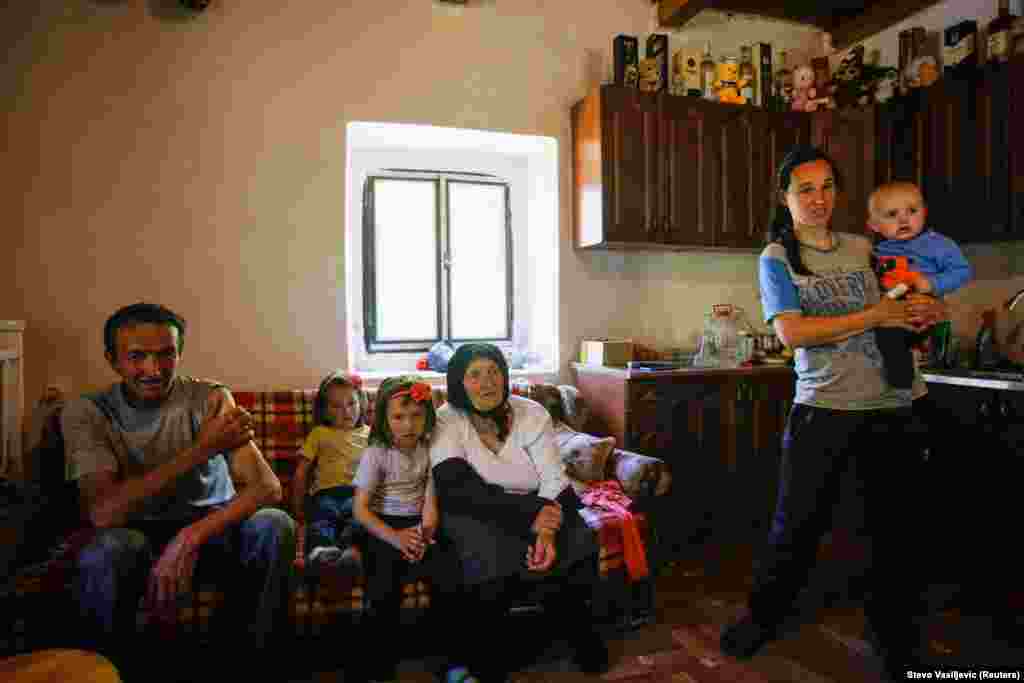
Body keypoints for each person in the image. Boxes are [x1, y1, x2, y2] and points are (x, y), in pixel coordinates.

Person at [719, 147, 947, 680]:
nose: (818, 199)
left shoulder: (867, 248)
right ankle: (762, 620)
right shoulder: (777, 257)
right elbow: (791, 332)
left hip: (895, 405)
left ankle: (896, 639)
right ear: (786, 197)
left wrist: (927, 312)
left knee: (894, 534)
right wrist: (873, 314)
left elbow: (906, 305)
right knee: (795, 526)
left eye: (826, 187)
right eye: (805, 189)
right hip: (824, 409)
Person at [60, 303, 295, 680]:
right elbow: (102, 512)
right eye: (137, 356)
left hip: (211, 529)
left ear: (178, 353)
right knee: (107, 550)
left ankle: (249, 668)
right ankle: (109, 674)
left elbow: (267, 487)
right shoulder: (87, 412)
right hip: (137, 536)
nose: (153, 370)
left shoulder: (210, 398)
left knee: (273, 525)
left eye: (166, 354)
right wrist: (200, 451)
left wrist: (189, 538)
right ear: (113, 360)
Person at [429, 343, 608, 682]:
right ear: (458, 382)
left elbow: (554, 478)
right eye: (475, 375)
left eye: (494, 372)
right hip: (476, 508)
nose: (487, 383)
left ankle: (582, 635)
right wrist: (530, 515)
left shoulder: (532, 413)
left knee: (581, 539)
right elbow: (458, 487)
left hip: (543, 503)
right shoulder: (446, 419)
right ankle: (488, 656)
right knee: (487, 548)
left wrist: (545, 530)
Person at [352, 376, 474, 683]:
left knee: (450, 580)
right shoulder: (376, 453)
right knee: (382, 590)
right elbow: (360, 510)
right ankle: (377, 668)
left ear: (427, 417)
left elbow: (432, 486)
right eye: (398, 417)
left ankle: (452, 664)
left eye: (416, 416)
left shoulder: (429, 445)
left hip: (419, 521)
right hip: (381, 523)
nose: (408, 425)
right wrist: (395, 538)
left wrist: (427, 522)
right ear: (383, 419)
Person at [868, 180, 973, 387]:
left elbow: (962, 271)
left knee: (894, 340)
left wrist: (931, 283)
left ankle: (901, 385)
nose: (904, 219)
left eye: (912, 211)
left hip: (922, 308)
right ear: (874, 225)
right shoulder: (875, 252)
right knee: (882, 340)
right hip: (889, 312)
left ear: (924, 212)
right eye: (892, 215)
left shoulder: (937, 244)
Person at [292, 371, 370, 570]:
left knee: (360, 521)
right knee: (320, 522)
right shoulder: (319, 433)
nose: (346, 411)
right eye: (336, 406)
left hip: (358, 495)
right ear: (325, 411)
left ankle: (347, 550)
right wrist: (298, 506)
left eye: (351, 403)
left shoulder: (370, 434)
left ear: (361, 403)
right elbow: (302, 471)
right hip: (324, 494)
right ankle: (323, 551)